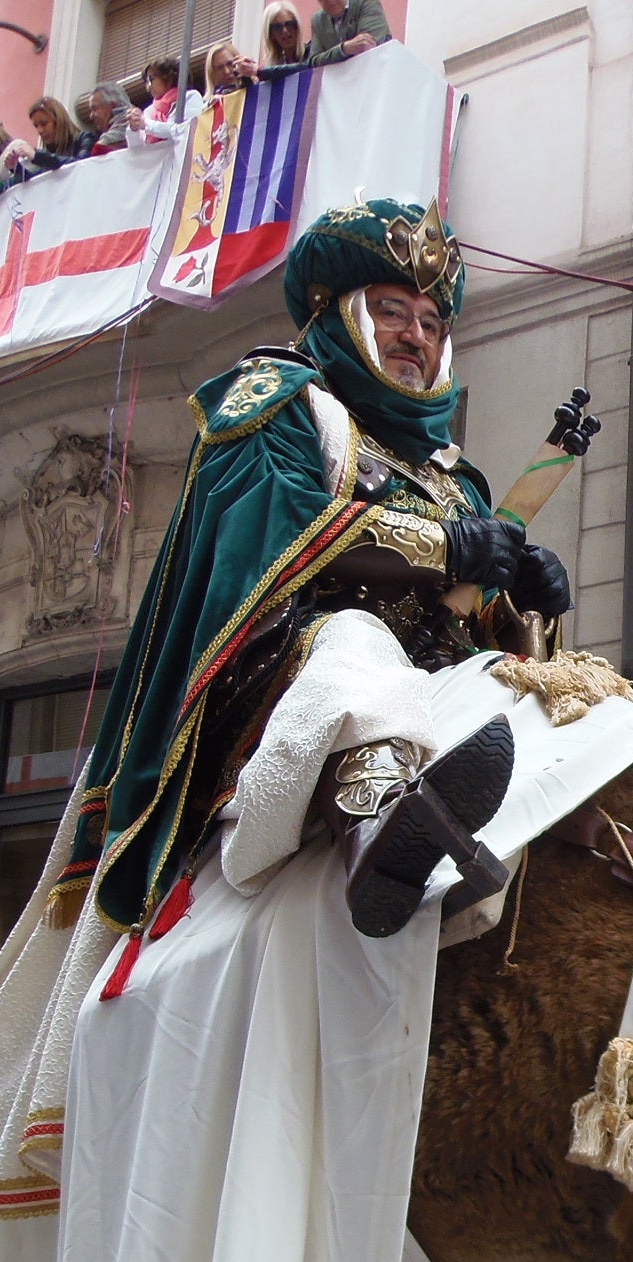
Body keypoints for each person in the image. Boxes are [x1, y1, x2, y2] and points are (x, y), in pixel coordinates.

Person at [61, 200, 571, 943]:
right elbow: (275, 528)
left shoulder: (456, 480)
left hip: (430, 676)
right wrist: (450, 550)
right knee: (354, 641)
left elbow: (472, 618)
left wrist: (525, 604)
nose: (414, 336)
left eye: (432, 323)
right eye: (392, 311)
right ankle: (383, 827)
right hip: (285, 664)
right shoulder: (281, 400)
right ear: (337, 313)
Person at [127, 55, 205, 145]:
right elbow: (137, 150)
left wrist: (145, 124)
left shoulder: (190, 97)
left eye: (151, 79)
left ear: (168, 77)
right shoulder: (149, 111)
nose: (148, 87)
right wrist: (134, 128)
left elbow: (183, 131)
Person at [309, 0, 389, 64]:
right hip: (340, 81)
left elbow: (367, 44)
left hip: (378, 72)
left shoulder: (366, 3)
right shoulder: (318, 20)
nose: (329, 1)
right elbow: (314, 61)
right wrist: (343, 49)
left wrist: (332, 56)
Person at [77, 86, 133, 154]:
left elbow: (98, 149)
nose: (91, 116)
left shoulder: (131, 124)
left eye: (95, 109)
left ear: (113, 106)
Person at [259, 1, 306, 72]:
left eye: (289, 24)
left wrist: (259, 71)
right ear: (271, 34)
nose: (285, 31)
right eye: (277, 27)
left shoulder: (311, 54)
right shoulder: (275, 66)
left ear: (297, 27)